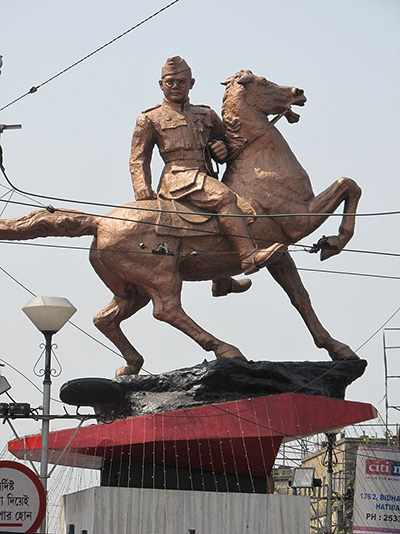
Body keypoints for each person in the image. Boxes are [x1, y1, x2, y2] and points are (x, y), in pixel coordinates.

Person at [129, 56, 284, 293]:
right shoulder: (150, 118)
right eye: (169, 82)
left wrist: (221, 149)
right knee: (224, 199)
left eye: (181, 81)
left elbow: (227, 144)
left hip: (206, 174)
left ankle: (221, 277)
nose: (175, 86)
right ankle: (248, 256)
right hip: (178, 178)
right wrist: (141, 186)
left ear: (191, 83)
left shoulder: (206, 114)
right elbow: (139, 158)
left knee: (240, 207)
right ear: (161, 85)